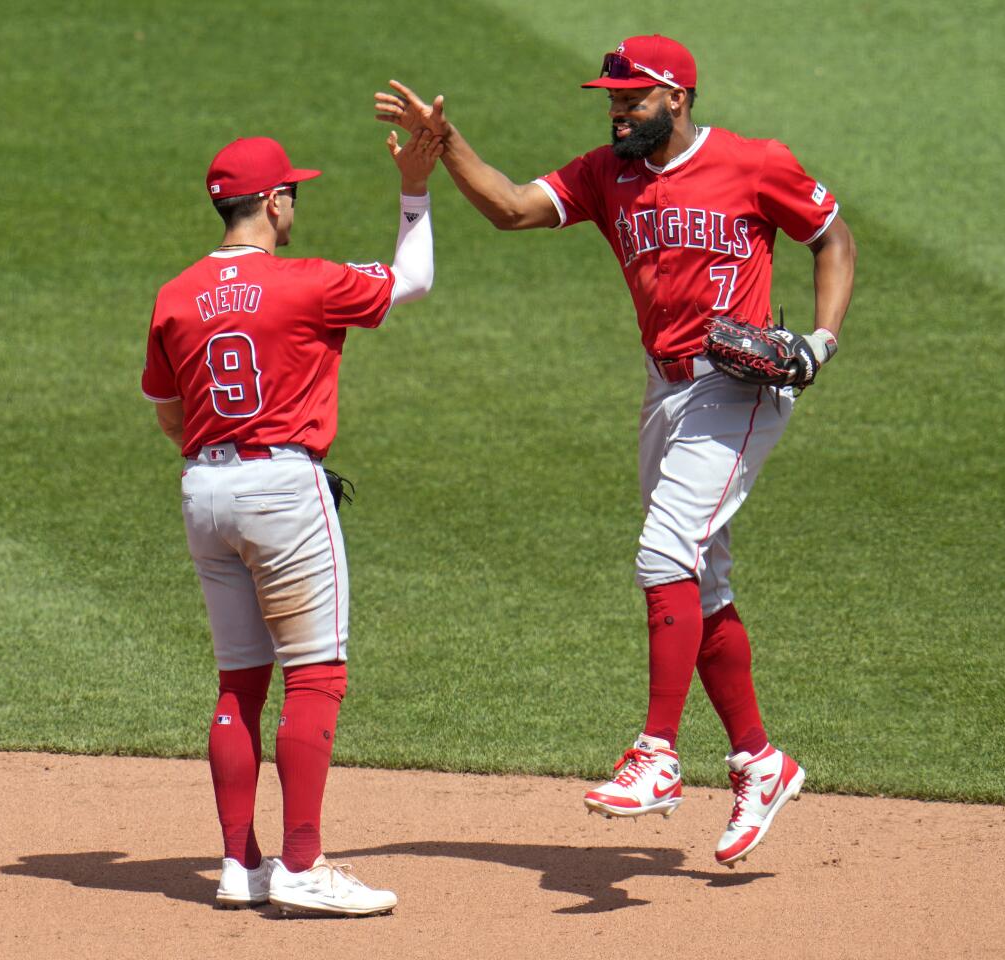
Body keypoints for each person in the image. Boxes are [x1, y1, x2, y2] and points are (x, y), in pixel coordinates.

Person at [374, 33, 856, 867]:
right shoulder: (610, 174)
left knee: (665, 549)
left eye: (632, 98)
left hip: (737, 385)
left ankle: (658, 756)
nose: (617, 110)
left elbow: (833, 238)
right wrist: (445, 147)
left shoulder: (754, 163)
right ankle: (759, 761)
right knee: (700, 581)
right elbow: (512, 206)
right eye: (611, 97)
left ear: (677, 97)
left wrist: (818, 341)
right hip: (665, 389)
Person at [141, 129, 441, 913]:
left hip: (203, 491)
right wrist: (414, 189)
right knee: (316, 673)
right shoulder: (306, 280)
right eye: (293, 193)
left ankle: (240, 866)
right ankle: (302, 866)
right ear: (272, 203)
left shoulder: (175, 294)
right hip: (282, 488)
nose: (295, 204)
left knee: (240, 681)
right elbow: (414, 277)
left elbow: (168, 412)